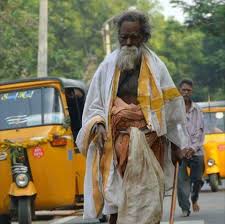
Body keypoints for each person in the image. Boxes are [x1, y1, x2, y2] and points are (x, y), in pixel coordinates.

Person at [76, 10, 188, 224]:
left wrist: (176, 146)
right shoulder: (107, 67)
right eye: (123, 37)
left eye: (133, 37)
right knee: (116, 203)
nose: (128, 42)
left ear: (144, 37)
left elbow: (170, 111)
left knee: (148, 202)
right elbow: (94, 106)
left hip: (150, 143)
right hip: (115, 145)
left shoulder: (156, 68)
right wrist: (98, 125)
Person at [177, 79, 205, 217]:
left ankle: (194, 199)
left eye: (188, 90)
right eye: (183, 90)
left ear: (191, 91)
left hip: (196, 151)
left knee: (197, 180)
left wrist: (192, 149)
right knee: (181, 183)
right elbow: (173, 132)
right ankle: (185, 207)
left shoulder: (198, 110)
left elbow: (200, 133)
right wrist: (181, 149)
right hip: (179, 151)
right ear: (179, 90)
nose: (186, 92)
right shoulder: (174, 110)